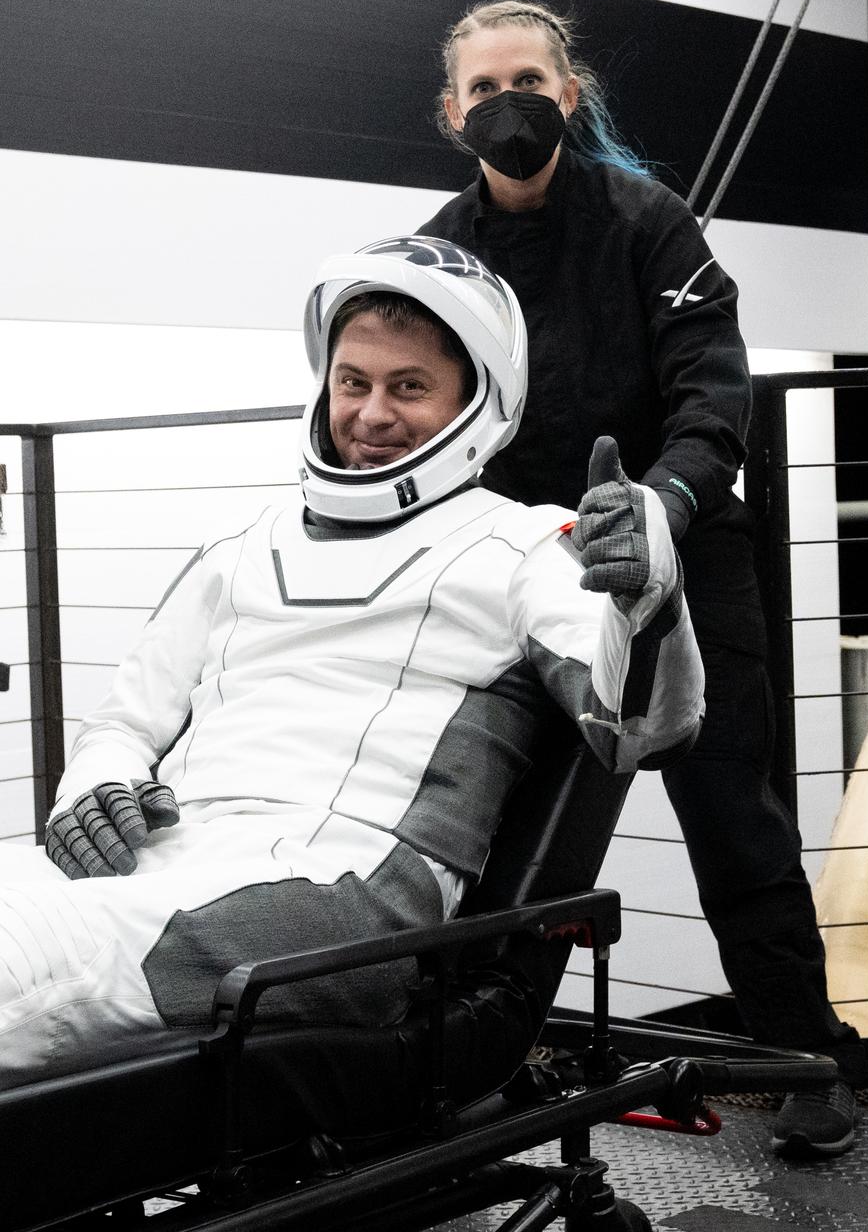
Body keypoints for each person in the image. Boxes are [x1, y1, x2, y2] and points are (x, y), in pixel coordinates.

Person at [0, 236, 704, 1090]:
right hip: (164, 860)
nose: (371, 414)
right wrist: (94, 791)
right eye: (352, 382)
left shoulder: (522, 542)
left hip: (344, 891)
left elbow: (640, 729)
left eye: (409, 388)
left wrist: (648, 598)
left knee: (20, 968)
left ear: (477, 402)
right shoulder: (240, 546)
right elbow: (124, 721)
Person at [417, 0, 862, 1158]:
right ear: (450, 112)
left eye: (527, 79)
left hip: (680, 558)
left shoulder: (648, 220)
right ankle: (461, 1066)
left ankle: (803, 1058)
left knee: (731, 818)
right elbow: (424, 415)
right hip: (526, 573)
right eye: (482, 87)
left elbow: (716, 394)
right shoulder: (439, 253)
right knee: (513, 826)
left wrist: (654, 506)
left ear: (567, 94)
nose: (505, 102)